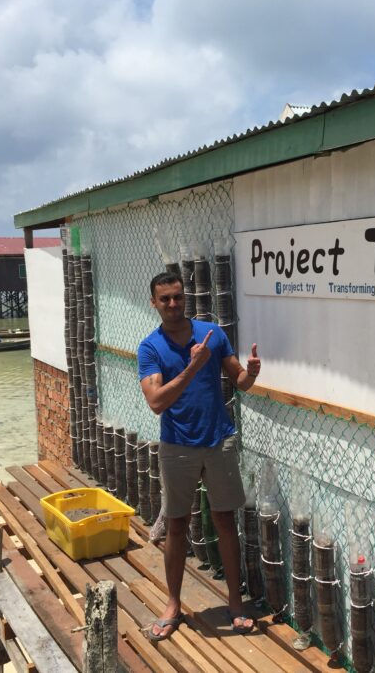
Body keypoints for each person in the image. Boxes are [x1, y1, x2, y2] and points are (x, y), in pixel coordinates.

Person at [137, 272, 261, 641]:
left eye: (178, 297)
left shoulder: (213, 334)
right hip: (177, 446)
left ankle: (235, 603)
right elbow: (157, 402)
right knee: (177, 524)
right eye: (165, 299)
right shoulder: (150, 348)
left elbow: (237, 379)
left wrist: (251, 375)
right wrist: (192, 366)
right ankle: (173, 604)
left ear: (185, 297)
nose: (173, 304)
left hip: (218, 440)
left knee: (225, 519)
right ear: (154, 303)